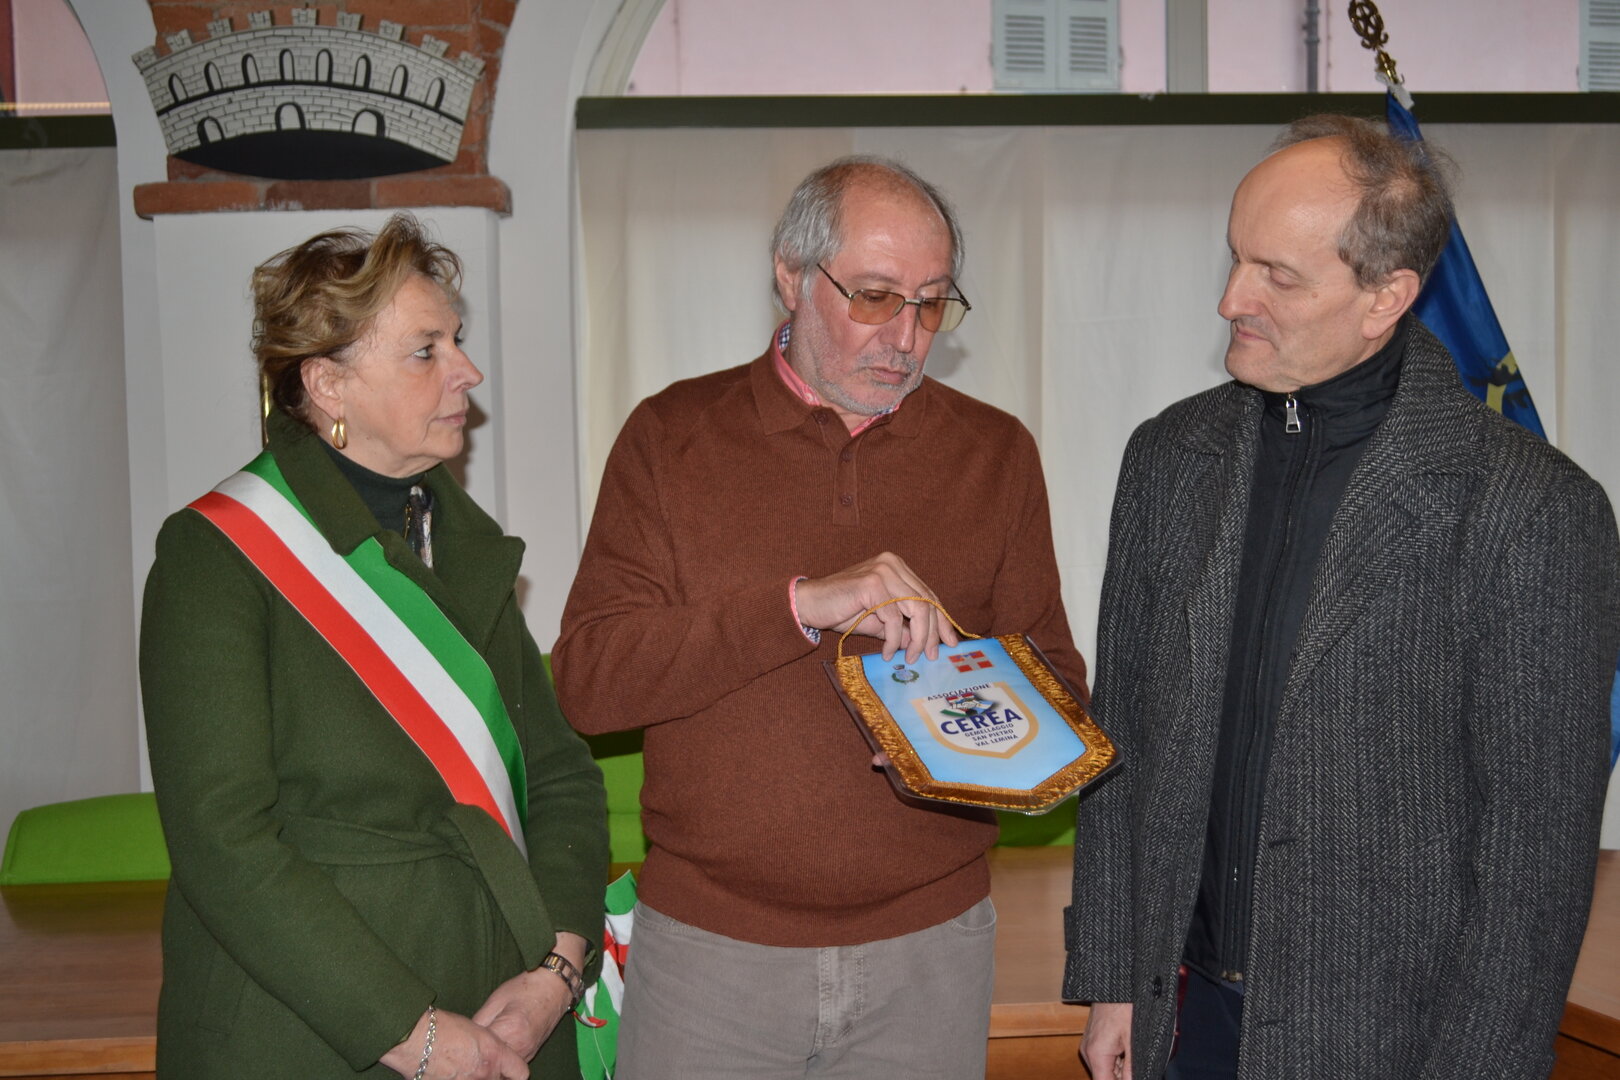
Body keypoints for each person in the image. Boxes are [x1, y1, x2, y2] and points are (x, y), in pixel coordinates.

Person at [1065, 115, 1620, 1080]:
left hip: (1394, 1042)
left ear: (1386, 297)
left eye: (1277, 276)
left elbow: (1533, 866)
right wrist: (1111, 976)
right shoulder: (1168, 457)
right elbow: (1125, 741)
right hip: (1178, 1014)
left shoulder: (1532, 508)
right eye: (1235, 256)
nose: (1230, 298)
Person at [553, 156, 1086, 1079]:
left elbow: (1059, 692)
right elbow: (589, 683)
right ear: (792, 276)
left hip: (933, 950)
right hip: (710, 957)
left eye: (932, 304)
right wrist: (801, 606)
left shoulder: (997, 452)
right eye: (875, 297)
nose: (906, 337)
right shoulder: (670, 436)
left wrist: (952, 745)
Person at [139, 214, 609, 1080]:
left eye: (456, 341)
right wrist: (413, 1033)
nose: (467, 371)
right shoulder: (218, 554)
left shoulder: (465, 545)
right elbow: (223, 842)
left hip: (508, 1006)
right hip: (311, 1030)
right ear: (328, 385)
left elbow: (561, 777)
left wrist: (557, 970)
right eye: (426, 351)